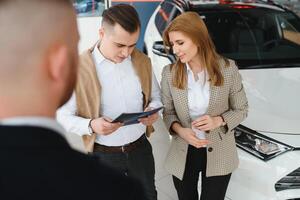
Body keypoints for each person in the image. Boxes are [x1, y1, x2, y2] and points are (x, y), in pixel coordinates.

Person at [0, 1, 145, 199]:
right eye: (74, 45)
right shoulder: (115, 189)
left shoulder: (142, 63)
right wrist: (92, 125)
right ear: (59, 63)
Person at [57, 4, 161, 200]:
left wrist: (153, 111)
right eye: (120, 45)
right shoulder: (78, 69)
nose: (126, 53)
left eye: (132, 45)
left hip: (140, 150)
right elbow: (62, 115)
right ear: (102, 33)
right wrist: (90, 125)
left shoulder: (143, 61)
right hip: (103, 155)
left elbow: (156, 96)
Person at [161, 12, 248, 200]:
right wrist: (180, 131)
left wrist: (218, 120)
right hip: (183, 151)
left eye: (180, 43)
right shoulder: (169, 73)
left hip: (219, 151)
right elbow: (167, 112)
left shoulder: (228, 68)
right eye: (172, 44)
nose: (175, 50)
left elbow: (242, 109)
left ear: (198, 38)